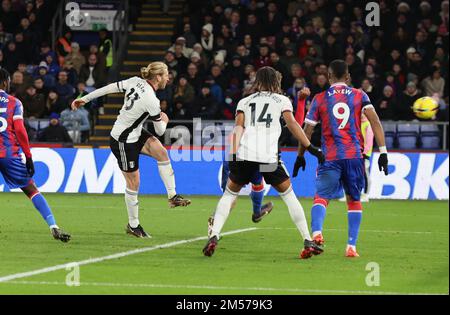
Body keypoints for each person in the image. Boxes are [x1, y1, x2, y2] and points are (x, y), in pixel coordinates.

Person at [203, 66, 325, 259]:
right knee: (289, 196)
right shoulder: (282, 100)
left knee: (229, 194)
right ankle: (307, 239)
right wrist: (310, 147)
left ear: (258, 81)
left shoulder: (245, 101)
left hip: (244, 156)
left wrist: (233, 156)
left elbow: (238, 129)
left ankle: (214, 235)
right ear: (275, 81)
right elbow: (293, 124)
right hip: (268, 159)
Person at [71, 62, 191, 238]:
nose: (168, 78)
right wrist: (164, 118)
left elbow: (110, 87)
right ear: (158, 77)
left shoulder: (135, 81)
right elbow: (160, 131)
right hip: (122, 140)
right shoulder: (152, 100)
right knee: (133, 183)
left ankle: (173, 196)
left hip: (134, 132)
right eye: (166, 75)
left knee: (162, 153)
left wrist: (85, 98)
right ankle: (133, 225)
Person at [293, 60, 389, 258]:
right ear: (348, 77)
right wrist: (384, 151)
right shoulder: (359, 95)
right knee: (354, 200)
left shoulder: (320, 99)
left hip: (330, 157)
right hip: (354, 156)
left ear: (328, 77)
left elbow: (307, 131)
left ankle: (317, 234)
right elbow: (375, 121)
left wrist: (301, 155)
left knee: (321, 197)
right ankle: (351, 247)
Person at [0, 69, 70, 242]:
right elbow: (21, 131)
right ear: (5, 82)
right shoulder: (14, 102)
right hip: (9, 154)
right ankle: (53, 226)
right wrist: (28, 156)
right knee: (31, 190)